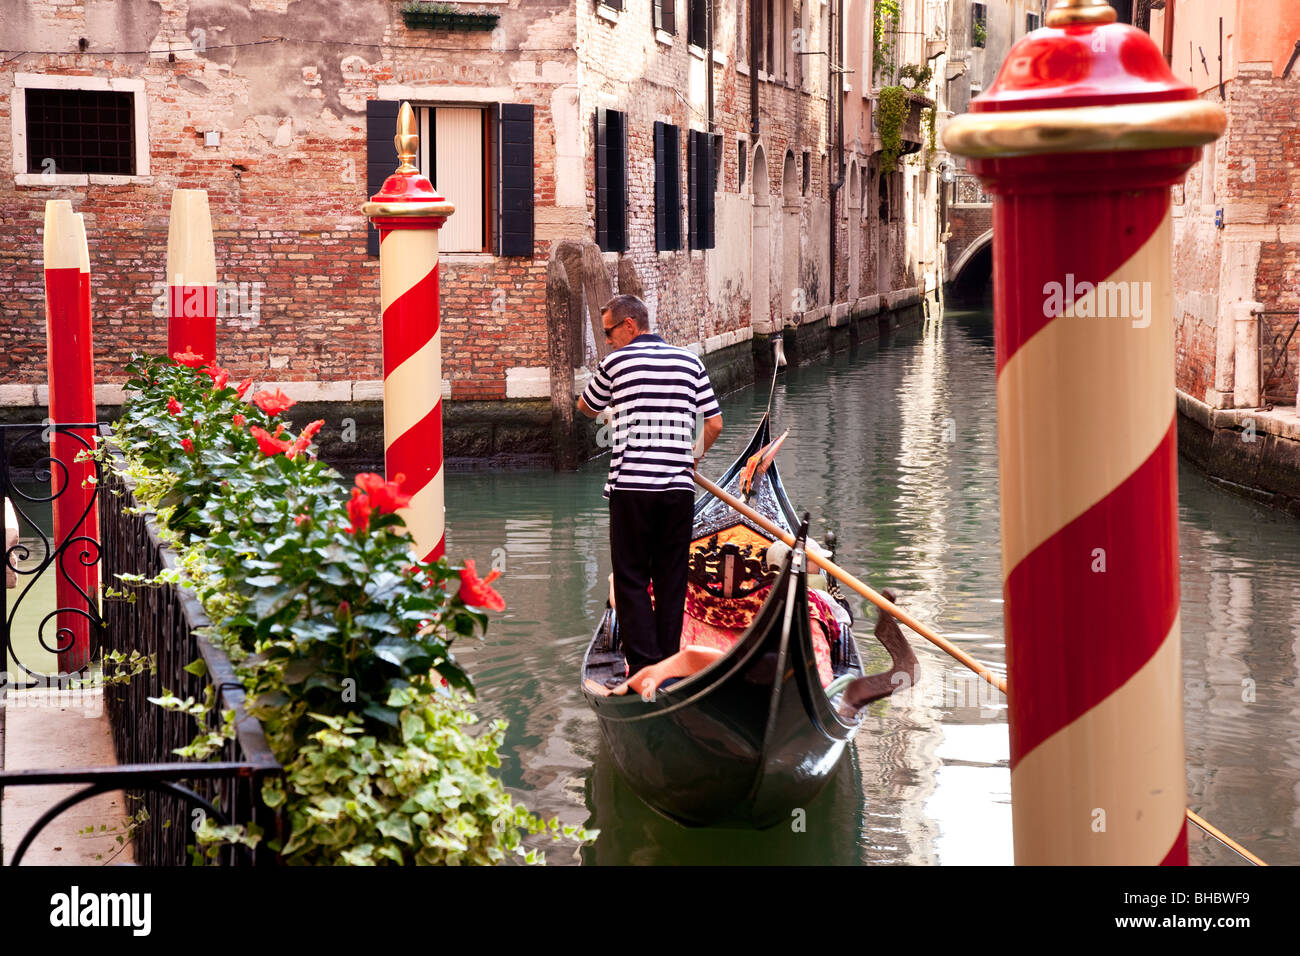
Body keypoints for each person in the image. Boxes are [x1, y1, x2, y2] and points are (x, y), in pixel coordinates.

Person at [578, 294, 723, 677]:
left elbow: (585, 407)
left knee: (631, 578)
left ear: (629, 325)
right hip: (678, 489)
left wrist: (615, 411)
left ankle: (643, 666)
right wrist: (691, 458)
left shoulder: (616, 363)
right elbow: (714, 425)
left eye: (609, 332)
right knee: (671, 577)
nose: (607, 341)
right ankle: (669, 663)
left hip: (632, 489)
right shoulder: (690, 361)